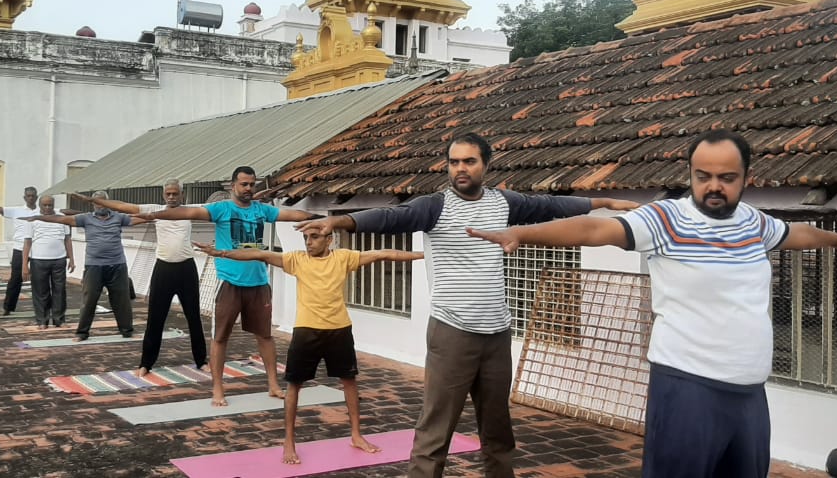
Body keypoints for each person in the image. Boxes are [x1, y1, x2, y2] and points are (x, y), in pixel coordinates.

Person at [465, 129, 837, 478]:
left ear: (747, 177)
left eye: (727, 178)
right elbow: (594, 229)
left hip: (749, 394)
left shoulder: (753, 222)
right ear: (690, 175)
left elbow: (795, 233)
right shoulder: (666, 219)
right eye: (703, 176)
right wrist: (521, 232)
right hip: (687, 387)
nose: (714, 186)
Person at [296, 132, 639, 478]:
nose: (460, 168)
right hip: (452, 333)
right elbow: (390, 217)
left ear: (486, 165)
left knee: (498, 431)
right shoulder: (434, 206)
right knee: (436, 432)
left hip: (496, 335)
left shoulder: (503, 202)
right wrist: (339, 221)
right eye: (454, 162)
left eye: (469, 161)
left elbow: (550, 205)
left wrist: (604, 203)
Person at [193, 230, 423, 465]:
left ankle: (356, 435)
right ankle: (289, 441)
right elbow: (258, 254)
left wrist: (424, 255)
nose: (309, 242)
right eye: (306, 238)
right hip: (306, 331)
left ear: (329, 239)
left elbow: (382, 254)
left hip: (339, 329)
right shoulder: (297, 260)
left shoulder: (343, 258)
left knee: (349, 382)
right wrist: (220, 252)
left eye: (314, 237)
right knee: (294, 386)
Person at [139, 166, 321, 406]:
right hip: (229, 283)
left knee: (265, 336)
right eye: (244, 184)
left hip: (259, 283)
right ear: (233, 185)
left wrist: (320, 219)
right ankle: (217, 389)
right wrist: (156, 215)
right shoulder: (221, 209)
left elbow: (290, 216)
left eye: (252, 184)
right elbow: (188, 213)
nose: (248, 189)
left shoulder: (261, 210)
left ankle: (274, 385)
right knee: (220, 338)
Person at [81, 179, 209, 377]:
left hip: (186, 269)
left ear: (182, 195)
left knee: (193, 317)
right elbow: (124, 207)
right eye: (169, 194)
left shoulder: (191, 210)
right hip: (163, 270)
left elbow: (222, 208)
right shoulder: (155, 210)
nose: (172, 197)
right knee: (155, 318)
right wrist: (96, 200)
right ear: (163, 195)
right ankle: (146, 363)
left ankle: (201, 360)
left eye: (176, 194)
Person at [23, 191, 141, 341]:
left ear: (108, 203)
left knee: (121, 300)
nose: (100, 206)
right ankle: (82, 333)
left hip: (117, 265)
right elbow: (63, 219)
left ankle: (127, 330)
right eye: (97, 202)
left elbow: (140, 217)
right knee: (89, 300)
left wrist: (159, 216)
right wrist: (39, 217)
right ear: (93, 204)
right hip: (94, 266)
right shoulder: (86, 218)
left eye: (103, 202)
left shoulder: (118, 217)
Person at [0, 186, 39, 315]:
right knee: (15, 279)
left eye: (33, 195)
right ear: (24, 197)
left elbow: (64, 212)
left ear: (36, 197)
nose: (31, 198)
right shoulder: (16, 210)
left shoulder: (43, 210)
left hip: (38, 249)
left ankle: (41, 309)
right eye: (28, 195)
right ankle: (8, 307)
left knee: (39, 279)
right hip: (19, 249)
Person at [21, 195, 74, 329]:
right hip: (38, 260)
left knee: (60, 291)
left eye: (50, 205)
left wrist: (72, 259)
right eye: (44, 205)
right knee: (40, 292)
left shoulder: (61, 217)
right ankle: (42, 320)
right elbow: (27, 242)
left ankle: (59, 320)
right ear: (39, 205)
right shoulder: (32, 218)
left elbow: (67, 239)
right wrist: (24, 265)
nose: (47, 208)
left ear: (53, 204)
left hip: (59, 259)